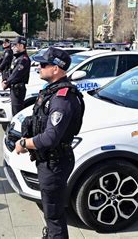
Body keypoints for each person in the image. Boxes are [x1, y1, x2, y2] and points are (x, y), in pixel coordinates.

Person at [14, 47, 84, 239]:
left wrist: (23, 142)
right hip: (49, 161)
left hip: (55, 163)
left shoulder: (63, 98)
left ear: (56, 69)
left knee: (54, 214)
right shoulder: (52, 92)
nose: (39, 67)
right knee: (51, 210)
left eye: (44, 64)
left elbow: (50, 137)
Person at [2, 37, 31, 116]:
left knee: (17, 112)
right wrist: (4, 79)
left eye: (15, 45)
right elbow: (9, 71)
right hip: (14, 87)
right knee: (14, 110)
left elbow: (16, 74)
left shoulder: (23, 59)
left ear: (22, 46)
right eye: (12, 45)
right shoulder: (17, 57)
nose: (12, 47)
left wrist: (7, 83)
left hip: (18, 88)